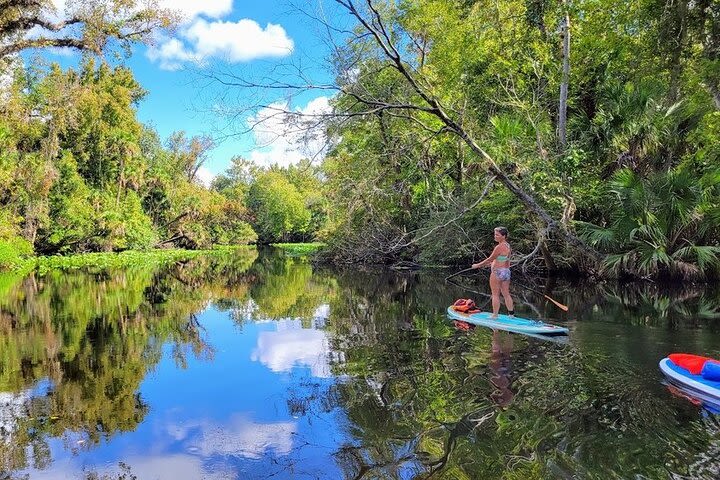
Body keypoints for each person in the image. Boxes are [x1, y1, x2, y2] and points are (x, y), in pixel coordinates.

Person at [471, 227, 514, 318]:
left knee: (495, 294)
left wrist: (477, 265)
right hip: (506, 271)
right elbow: (504, 259)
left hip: (497, 272)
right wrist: (495, 264)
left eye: (497, 235)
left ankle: (495, 315)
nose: (495, 236)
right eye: (495, 234)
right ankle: (511, 314)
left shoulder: (499, 247)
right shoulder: (508, 246)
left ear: (504, 236)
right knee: (506, 294)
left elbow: (490, 259)